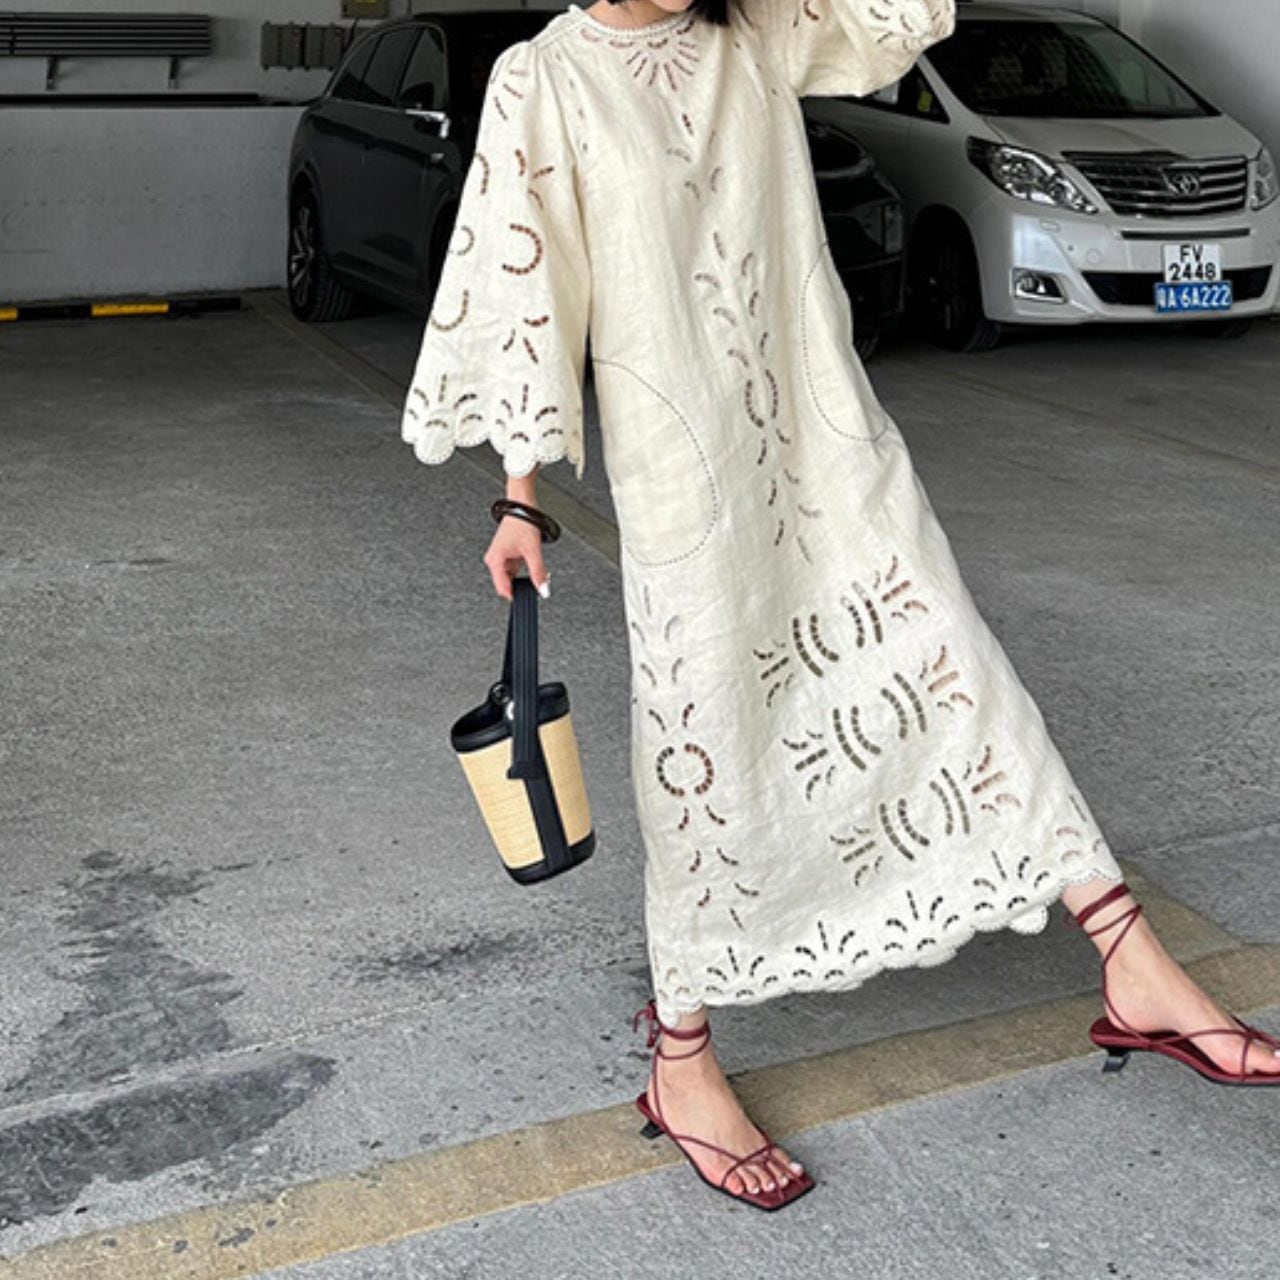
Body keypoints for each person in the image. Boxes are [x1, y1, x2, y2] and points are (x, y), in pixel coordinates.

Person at [401, 0, 1280, 1211]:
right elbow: (527, 291)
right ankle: (681, 1058)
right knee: (706, 736)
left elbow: (892, 19)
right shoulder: (540, 81)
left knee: (948, 663)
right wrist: (519, 497)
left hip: (826, 438)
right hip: (683, 476)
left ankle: (1132, 960)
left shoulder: (752, 32)